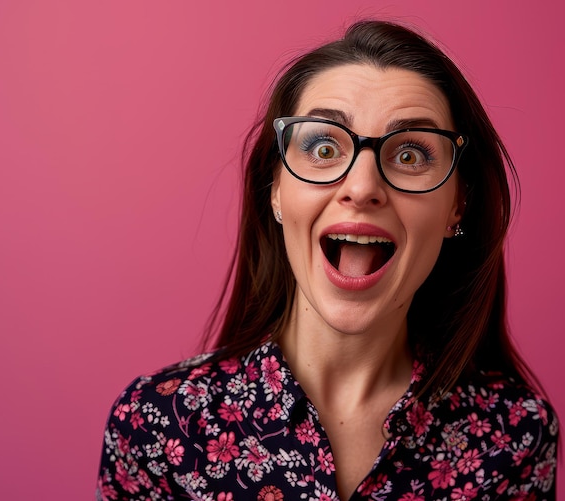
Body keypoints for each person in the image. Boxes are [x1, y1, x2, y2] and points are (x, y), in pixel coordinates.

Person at [96, 20, 558, 500]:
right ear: (275, 190)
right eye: (323, 147)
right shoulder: (155, 427)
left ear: (457, 204)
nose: (361, 189)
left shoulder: (515, 438)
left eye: (411, 156)